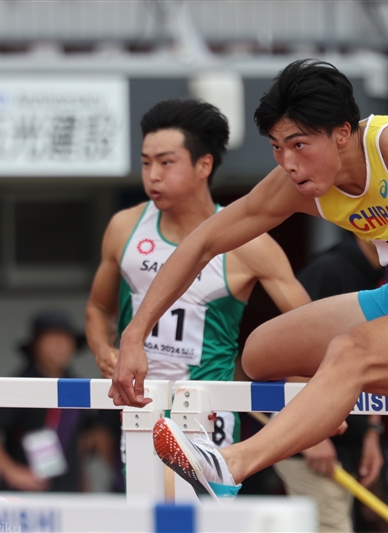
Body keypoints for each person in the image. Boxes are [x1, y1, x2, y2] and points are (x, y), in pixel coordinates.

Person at [111, 58, 388, 501]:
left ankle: (230, 467)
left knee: (350, 350)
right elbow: (203, 242)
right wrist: (135, 335)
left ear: (343, 134)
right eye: (276, 146)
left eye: (299, 144)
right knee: (260, 354)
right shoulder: (296, 183)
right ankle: (329, 400)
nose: (288, 163)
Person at [85, 99, 310, 449]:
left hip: (208, 416)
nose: (153, 175)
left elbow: (309, 331)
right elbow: (98, 309)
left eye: (166, 162)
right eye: (145, 163)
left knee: (206, 504)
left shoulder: (248, 243)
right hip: (140, 410)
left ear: (204, 164)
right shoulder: (124, 228)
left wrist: (304, 411)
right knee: (144, 505)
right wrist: (102, 349)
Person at [273, 234, 385, 532]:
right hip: (309, 439)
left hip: (348, 439)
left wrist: (371, 433)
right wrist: (312, 435)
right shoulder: (329, 269)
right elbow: (293, 348)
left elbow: (376, 360)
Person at [0, 311, 112, 492]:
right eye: (51, 338)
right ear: (36, 345)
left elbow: (82, 442)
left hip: (66, 495)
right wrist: (13, 472)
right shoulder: (22, 385)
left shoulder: (78, 385)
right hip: (24, 497)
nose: (59, 345)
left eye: (65, 339)